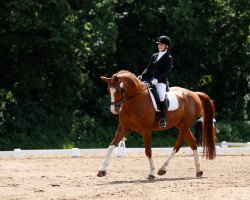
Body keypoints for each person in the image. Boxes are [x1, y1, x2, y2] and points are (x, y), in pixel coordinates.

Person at [138, 35, 173, 128]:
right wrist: (142, 75)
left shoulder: (168, 57)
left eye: (161, 44)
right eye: (159, 44)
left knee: (161, 96)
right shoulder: (154, 56)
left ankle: (164, 118)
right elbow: (149, 67)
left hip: (160, 81)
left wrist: (157, 79)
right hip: (149, 79)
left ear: (167, 46)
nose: (159, 46)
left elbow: (167, 71)